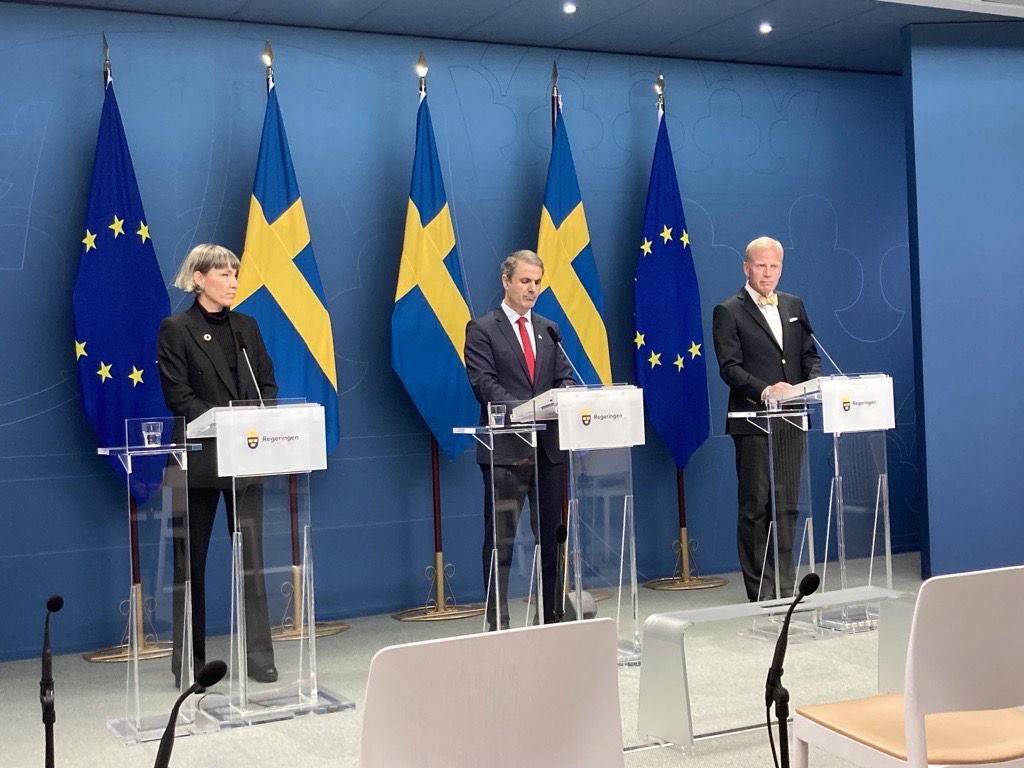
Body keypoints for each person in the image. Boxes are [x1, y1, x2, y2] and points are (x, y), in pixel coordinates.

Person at [157, 243, 278, 687]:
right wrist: (226, 422)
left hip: (245, 458)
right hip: (198, 463)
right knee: (190, 566)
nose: (233, 282)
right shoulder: (176, 329)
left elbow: (267, 383)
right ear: (198, 278)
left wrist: (258, 418)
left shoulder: (247, 326)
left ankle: (259, 657)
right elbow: (178, 396)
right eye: (224, 274)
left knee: (253, 563)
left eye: (235, 274)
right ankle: (190, 662)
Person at [464, 250, 576, 630]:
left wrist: (565, 394)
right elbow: (484, 385)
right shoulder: (482, 329)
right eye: (525, 281)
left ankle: (552, 616)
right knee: (502, 543)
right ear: (506, 281)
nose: (532, 289)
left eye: (538, 282)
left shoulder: (549, 328)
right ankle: (499, 623)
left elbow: (564, 377)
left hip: (548, 452)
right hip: (506, 454)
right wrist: (527, 410)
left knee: (552, 539)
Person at [712, 236, 820, 602]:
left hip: (791, 418)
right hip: (753, 420)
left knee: (787, 506)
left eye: (775, 266)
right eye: (761, 266)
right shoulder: (728, 310)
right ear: (746, 268)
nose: (768, 273)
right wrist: (766, 390)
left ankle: (786, 587)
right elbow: (730, 368)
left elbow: (809, 355)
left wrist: (808, 384)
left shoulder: (794, 304)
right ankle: (760, 591)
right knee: (755, 507)